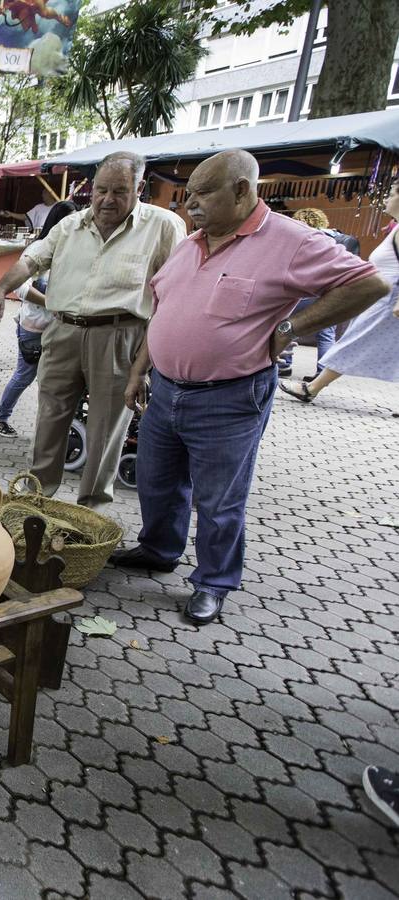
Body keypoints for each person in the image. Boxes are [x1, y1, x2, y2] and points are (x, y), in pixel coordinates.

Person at [113, 149, 387, 626]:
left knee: (219, 498)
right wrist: (139, 370)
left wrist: (294, 327)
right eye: (188, 195)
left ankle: (213, 582)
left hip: (230, 396)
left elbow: (369, 285)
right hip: (166, 390)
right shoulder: (192, 242)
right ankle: (158, 550)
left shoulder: (290, 240)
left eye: (203, 193)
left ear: (242, 190)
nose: (191, 205)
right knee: (157, 482)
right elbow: (164, 313)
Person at [0, 151, 186, 510]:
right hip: (62, 331)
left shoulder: (164, 226)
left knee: (107, 429)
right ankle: (36, 498)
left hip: (119, 335)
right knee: (50, 417)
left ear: (139, 188)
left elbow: (174, 297)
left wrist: (145, 359)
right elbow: (31, 260)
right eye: (100, 190)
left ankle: (90, 509)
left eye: (119, 191)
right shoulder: (70, 225)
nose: (107, 199)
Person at [279, 186, 399, 404]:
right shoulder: (394, 229)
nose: (386, 200)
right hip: (382, 298)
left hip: (388, 299)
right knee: (349, 338)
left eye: (391, 195)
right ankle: (312, 385)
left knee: (354, 340)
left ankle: (311, 387)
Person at [0, 201, 76, 437]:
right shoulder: (39, 248)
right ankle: (0, 418)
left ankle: (51, 428)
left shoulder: (73, 252)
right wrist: (52, 303)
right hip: (34, 328)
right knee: (24, 375)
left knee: (55, 381)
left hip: (61, 330)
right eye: (68, 220)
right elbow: (22, 289)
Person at [276, 208, 361, 377]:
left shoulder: (303, 237)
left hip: (305, 290)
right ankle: (321, 372)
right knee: (326, 333)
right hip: (333, 293)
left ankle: (285, 364)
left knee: (287, 324)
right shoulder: (339, 239)